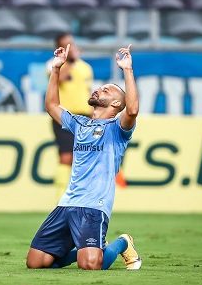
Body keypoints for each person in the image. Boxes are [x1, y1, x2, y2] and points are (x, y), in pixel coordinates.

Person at [26, 44, 141, 270]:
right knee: (35, 263)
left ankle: (122, 243)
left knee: (90, 265)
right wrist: (57, 69)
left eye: (106, 91)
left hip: (94, 207)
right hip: (67, 203)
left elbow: (133, 110)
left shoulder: (118, 129)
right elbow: (51, 105)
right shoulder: (79, 124)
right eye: (100, 88)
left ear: (117, 104)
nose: (98, 90)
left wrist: (127, 69)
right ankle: (83, 249)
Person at [47, 34, 93, 199]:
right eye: (65, 45)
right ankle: (60, 198)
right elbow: (59, 80)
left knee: (81, 158)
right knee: (66, 156)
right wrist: (70, 61)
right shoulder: (53, 65)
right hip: (64, 116)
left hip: (85, 118)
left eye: (71, 44)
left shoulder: (86, 67)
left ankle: (79, 197)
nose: (70, 47)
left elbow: (87, 93)